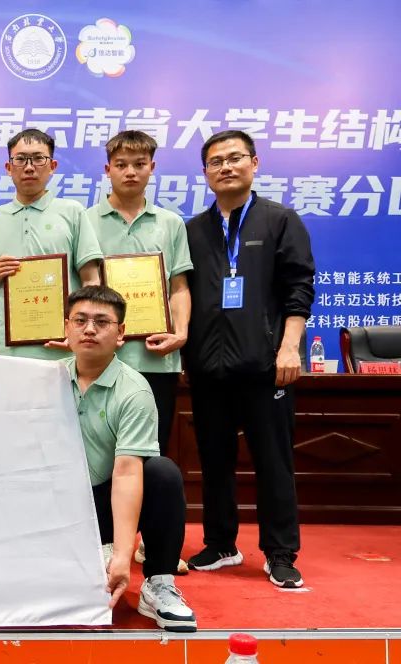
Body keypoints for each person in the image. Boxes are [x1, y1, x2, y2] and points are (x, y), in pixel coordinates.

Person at [183, 130, 315, 588]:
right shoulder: (192, 230)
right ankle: (221, 543)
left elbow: (299, 288)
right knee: (214, 461)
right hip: (207, 367)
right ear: (205, 173)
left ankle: (280, 553)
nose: (225, 167)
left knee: (274, 462)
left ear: (254, 163)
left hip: (265, 366)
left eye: (235, 157)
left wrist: (289, 346)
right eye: (215, 161)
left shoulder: (280, 220)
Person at [87, 131, 192, 573]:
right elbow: (82, 287)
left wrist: (181, 332)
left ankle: (150, 543)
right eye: (121, 164)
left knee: (149, 457)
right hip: (99, 360)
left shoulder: (170, 223)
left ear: (152, 168)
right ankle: (102, 541)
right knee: (96, 455)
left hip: (154, 357)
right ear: (107, 169)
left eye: (139, 164)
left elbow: (179, 286)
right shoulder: (86, 220)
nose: (130, 172)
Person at [63, 286, 195, 632]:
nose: (89, 329)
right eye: (80, 320)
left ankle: (159, 583)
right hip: (59, 504)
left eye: (101, 322)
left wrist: (123, 556)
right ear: (66, 328)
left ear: (120, 333)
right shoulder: (45, 379)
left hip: (106, 502)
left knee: (162, 473)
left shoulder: (134, 390)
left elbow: (126, 473)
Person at [0, 128, 103, 361]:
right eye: (21, 159)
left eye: (38, 158)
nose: (29, 167)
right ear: (8, 167)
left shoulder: (72, 212)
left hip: (59, 348)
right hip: (3, 351)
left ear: (52, 166)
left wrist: (79, 329)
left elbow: (91, 280)